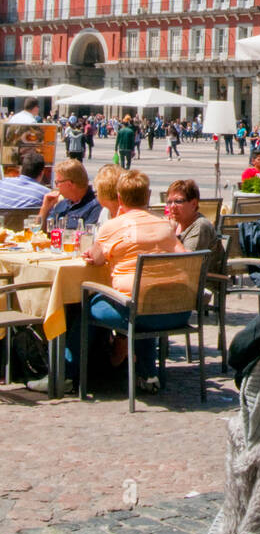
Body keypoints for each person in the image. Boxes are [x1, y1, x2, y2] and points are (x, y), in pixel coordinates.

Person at [33, 170, 189, 395]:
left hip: (137, 312)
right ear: (149, 195)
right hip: (175, 311)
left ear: (119, 198)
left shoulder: (114, 226)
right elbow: (184, 257)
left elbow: (95, 258)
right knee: (147, 295)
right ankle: (147, 374)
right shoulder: (166, 226)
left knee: (83, 308)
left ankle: (65, 375)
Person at [39, 158, 102, 230]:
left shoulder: (96, 206)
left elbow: (87, 237)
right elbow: (40, 233)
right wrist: (45, 208)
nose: (56, 186)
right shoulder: (62, 204)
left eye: (57, 182)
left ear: (69, 184)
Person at [165, 178, 222, 256]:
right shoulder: (175, 224)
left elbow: (188, 261)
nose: (172, 206)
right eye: (169, 202)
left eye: (178, 201)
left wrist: (170, 234)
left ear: (194, 204)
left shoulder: (200, 225)